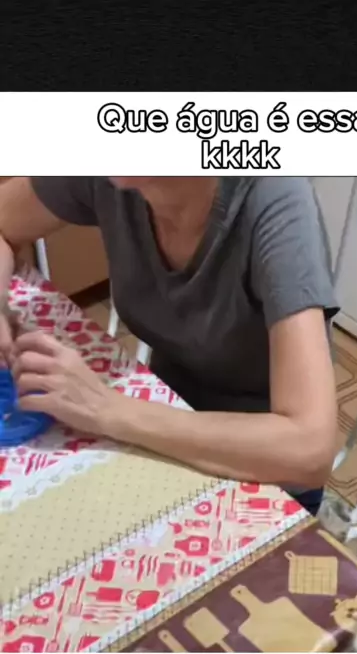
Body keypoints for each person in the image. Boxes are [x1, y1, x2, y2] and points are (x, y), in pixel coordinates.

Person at [0, 176, 339, 515]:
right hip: (162, 421)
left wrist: (107, 409)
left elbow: (309, 449)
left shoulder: (273, 196)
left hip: (265, 473)